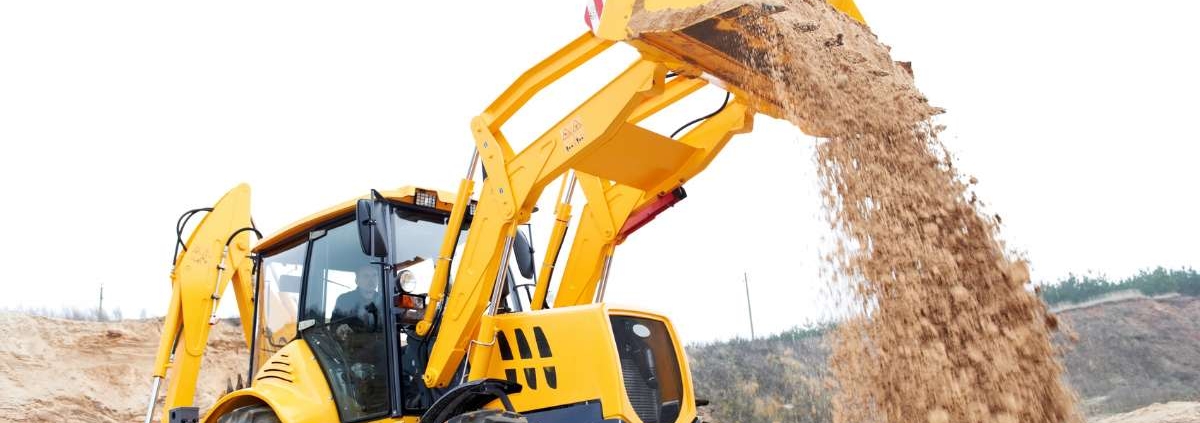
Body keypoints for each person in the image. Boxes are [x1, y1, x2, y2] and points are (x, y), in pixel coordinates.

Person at [332, 264, 384, 336]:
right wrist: (340, 329)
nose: (371, 280)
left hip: (382, 345)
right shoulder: (344, 300)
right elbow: (333, 326)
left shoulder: (384, 301)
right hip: (352, 344)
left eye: (374, 276)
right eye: (366, 276)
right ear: (357, 281)